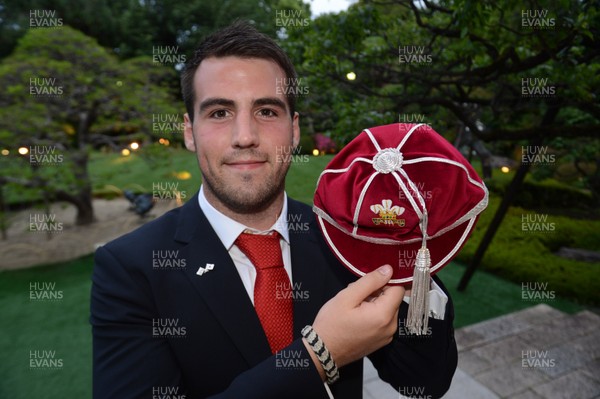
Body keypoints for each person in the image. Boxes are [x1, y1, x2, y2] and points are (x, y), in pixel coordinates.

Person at [90, 21, 457, 399]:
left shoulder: (343, 237)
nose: (245, 136)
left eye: (266, 111)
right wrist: (319, 354)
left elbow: (425, 382)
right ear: (189, 130)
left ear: (294, 130)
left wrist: (409, 249)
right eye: (219, 112)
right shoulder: (131, 269)